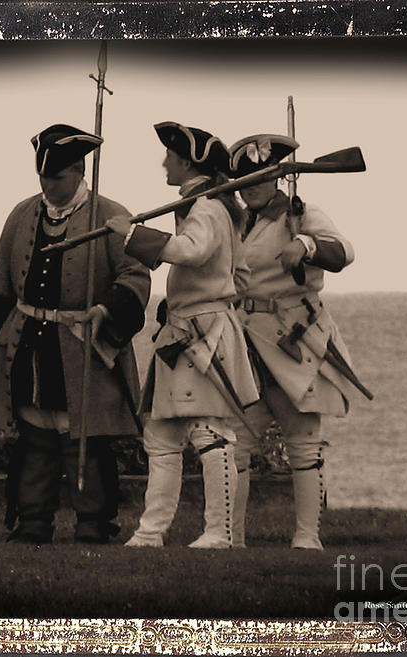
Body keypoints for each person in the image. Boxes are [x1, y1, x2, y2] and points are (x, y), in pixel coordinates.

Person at [0, 123, 150, 544]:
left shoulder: (110, 216)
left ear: (79, 170)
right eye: (43, 177)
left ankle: (91, 521)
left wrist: (105, 309)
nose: (48, 185)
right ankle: (33, 519)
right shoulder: (21, 213)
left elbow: (136, 277)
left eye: (57, 177)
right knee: (35, 435)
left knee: (82, 437)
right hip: (29, 341)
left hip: (84, 343)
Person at [105, 122, 259, 549]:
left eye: (169, 156)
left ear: (188, 161)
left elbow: (190, 252)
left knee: (209, 432)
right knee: (162, 435)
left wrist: (131, 235)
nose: (163, 162)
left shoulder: (206, 207)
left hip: (200, 333)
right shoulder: (211, 206)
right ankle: (151, 532)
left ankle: (220, 533)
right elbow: (240, 276)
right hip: (189, 329)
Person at [227, 133, 365, 550]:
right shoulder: (233, 220)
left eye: (259, 177)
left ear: (276, 178)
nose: (250, 186)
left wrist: (304, 244)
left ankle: (307, 538)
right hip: (244, 343)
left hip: (294, 341)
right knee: (235, 444)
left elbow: (343, 251)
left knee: (303, 443)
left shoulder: (301, 214)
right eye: (243, 180)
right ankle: (230, 538)